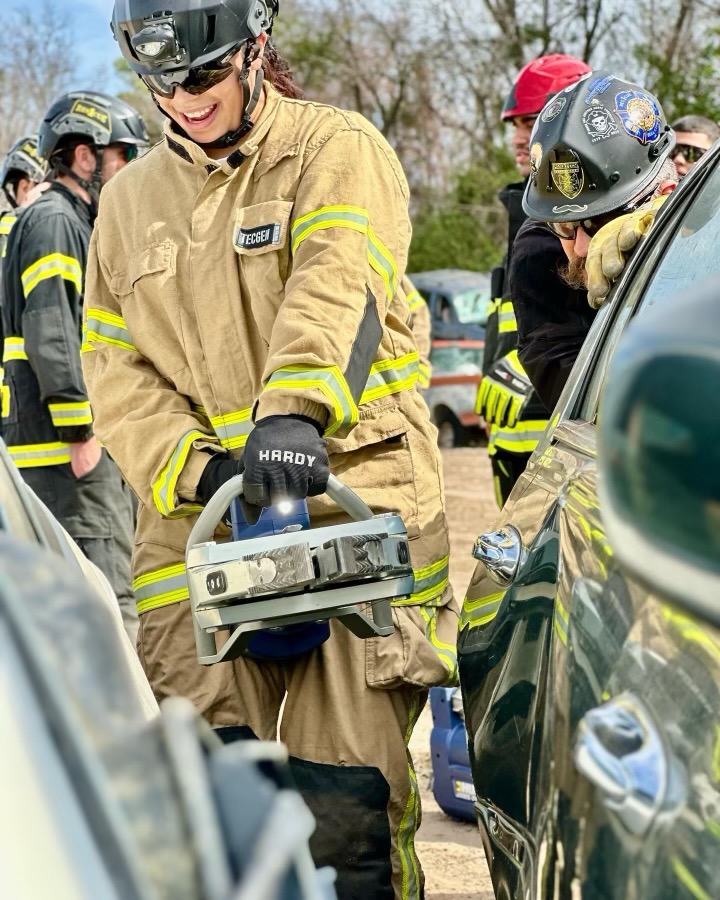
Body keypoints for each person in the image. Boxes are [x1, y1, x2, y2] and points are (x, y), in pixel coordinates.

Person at [82, 2, 459, 898]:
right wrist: (203, 470)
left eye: (203, 76)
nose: (184, 99)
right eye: (162, 82)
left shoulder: (336, 149)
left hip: (345, 501)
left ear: (256, 50)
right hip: (200, 531)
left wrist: (291, 414)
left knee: (344, 814)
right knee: (215, 820)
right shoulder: (128, 204)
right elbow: (112, 360)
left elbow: (343, 276)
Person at [1, 91, 149, 644]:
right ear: (85, 156)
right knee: (108, 601)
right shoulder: (56, 222)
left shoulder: (65, 221)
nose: (128, 170)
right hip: (69, 455)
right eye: (122, 156)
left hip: (63, 451)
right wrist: (79, 429)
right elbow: (51, 329)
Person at [518, 72, 678, 407]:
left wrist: (677, 232)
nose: (579, 247)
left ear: (662, 193)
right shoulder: (539, 252)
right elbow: (584, 393)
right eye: (564, 227)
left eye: (597, 222)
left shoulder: (694, 218)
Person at [477, 54, 591, 507]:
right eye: (516, 126)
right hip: (511, 437)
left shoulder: (577, 215)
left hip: (555, 434)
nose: (521, 139)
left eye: (531, 123)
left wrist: (529, 374)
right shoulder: (522, 207)